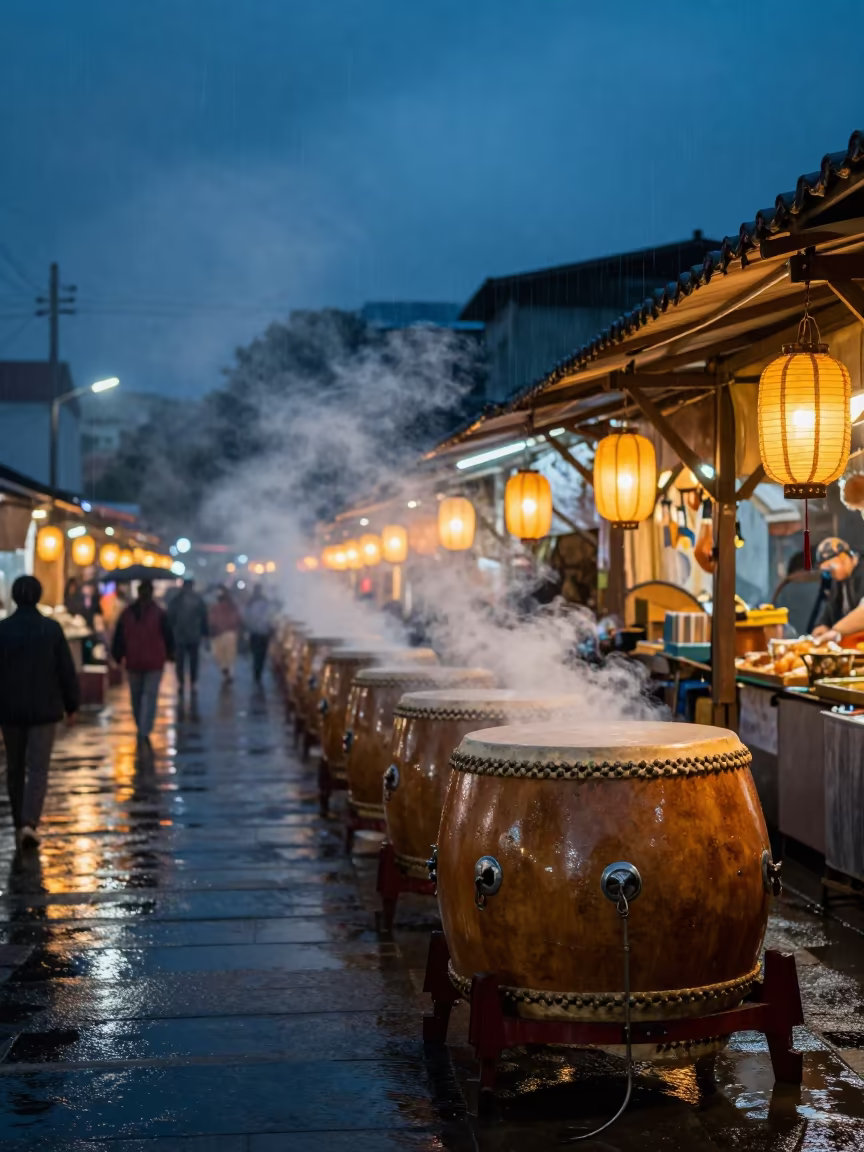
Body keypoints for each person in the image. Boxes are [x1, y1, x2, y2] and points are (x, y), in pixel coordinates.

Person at [0, 576, 79, 849]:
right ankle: (30, 822)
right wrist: (72, 705)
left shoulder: (3, 630)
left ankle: (17, 822)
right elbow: (66, 671)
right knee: (38, 768)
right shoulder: (52, 629)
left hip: (9, 709)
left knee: (14, 768)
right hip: (45, 709)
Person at [111, 580, 174, 745]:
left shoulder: (155, 614)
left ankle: (144, 727)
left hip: (146, 661)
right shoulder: (134, 613)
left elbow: (168, 636)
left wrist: (117, 655)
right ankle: (143, 726)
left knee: (144, 695)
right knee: (141, 696)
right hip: (141, 660)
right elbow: (120, 637)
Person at [812, 538, 864, 638]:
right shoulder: (838, 581)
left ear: (843, 557)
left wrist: (836, 631)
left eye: (830, 569)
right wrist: (823, 625)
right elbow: (831, 606)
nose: (830, 575)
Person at [167, 579, 209, 695]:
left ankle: (181, 682)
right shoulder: (198, 600)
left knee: (180, 661)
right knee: (193, 660)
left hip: (180, 636)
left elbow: (170, 618)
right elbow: (204, 618)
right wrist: (205, 633)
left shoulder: (176, 600)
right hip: (194, 635)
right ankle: (193, 681)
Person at [209, 585, 242, 682]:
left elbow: (211, 621)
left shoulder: (219, 607)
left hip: (224, 633)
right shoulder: (229, 606)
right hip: (225, 634)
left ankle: (227, 672)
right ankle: (227, 672)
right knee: (225, 656)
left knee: (223, 655)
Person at [244, 585, 273, 683]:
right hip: (264, 633)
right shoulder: (265, 601)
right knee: (262, 654)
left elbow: (246, 617)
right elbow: (270, 616)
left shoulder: (250, 602)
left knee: (255, 653)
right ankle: (258, 672)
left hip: (254, 632)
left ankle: (256, 672)